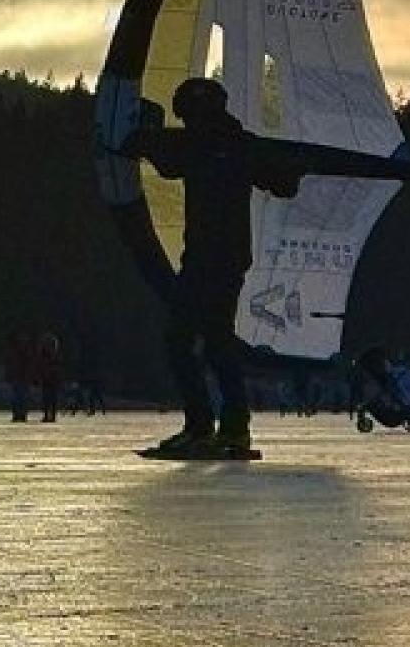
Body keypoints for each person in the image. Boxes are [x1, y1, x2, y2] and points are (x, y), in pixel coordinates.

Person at [128, 80, 302, 459]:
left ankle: (211, 426)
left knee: (189, 340)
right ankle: (224, 427)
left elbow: (169, 162)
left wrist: (140, 139)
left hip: (212, 259)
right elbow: (284, 184)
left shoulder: (209, 144)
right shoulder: (238, 144)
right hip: (222, 258)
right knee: (213, 340)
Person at [36, 332, 64, 423]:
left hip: (52, 379)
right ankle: (48, 415)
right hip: (47, 379)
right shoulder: (46, 355)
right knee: (47, 399)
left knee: (51, 398)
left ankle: (51, 415)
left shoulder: (53, 355)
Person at [5, 331, 32, 423]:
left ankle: (22, 414)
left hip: (23, 378)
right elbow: (10, 364)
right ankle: (17, 414)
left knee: (22, 397)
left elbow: (30, 366)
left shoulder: (26, 353)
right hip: (17, 378)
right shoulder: (14, 352)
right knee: (16, 398)